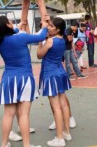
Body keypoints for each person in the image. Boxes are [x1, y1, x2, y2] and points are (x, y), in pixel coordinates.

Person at [0, 16, 49, 147]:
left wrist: (16, 26)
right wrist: (45, 25)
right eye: (10, 21)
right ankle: (26, 145)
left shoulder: (0, 41)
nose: (12, 23)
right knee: (24, 115)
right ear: (7, 26)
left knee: (8, 115)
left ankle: (3, 144)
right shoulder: (22, 37)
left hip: (8, 79)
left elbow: (15, 32)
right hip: (25, 78)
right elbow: (41, 36)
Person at [37, 17, 73, 146]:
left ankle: (59, 138)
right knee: (63, 104)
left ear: (58, 29)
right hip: (60, 72)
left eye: (51, 26)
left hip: (50, 74)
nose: (48, 27)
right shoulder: (62, 39)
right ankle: (66, 132)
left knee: (56, 106)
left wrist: (40, 42)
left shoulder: (50, 41)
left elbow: (39, 55)